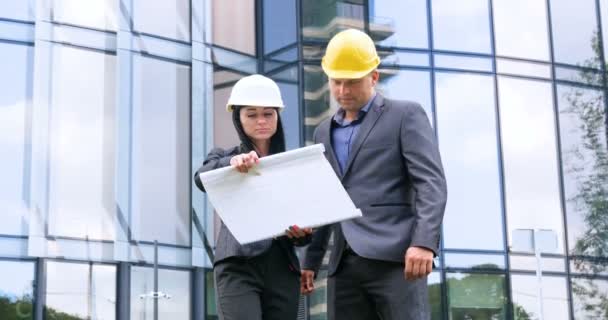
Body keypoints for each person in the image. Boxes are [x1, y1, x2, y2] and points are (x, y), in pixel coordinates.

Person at [300, 29, 448, 320]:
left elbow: (430, 183)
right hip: (343, 265)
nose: (343, 91)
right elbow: (326, 198)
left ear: (374, 77)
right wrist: (311, 261)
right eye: (336, 82)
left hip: (398, 259)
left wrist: (424, 242)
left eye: (352, 82)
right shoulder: (323, 132)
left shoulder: (405, 115)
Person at [194, 74, 312, 320]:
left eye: (268, 114)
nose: (261, 121)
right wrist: (231, 164)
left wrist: (303, 234)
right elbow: (201, 178)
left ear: (278, 116)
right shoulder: (223, 158)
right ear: (238, 117)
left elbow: (302, 231)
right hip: (238, 267)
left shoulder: (292, 165)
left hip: (283, 268)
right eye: (251, 114)